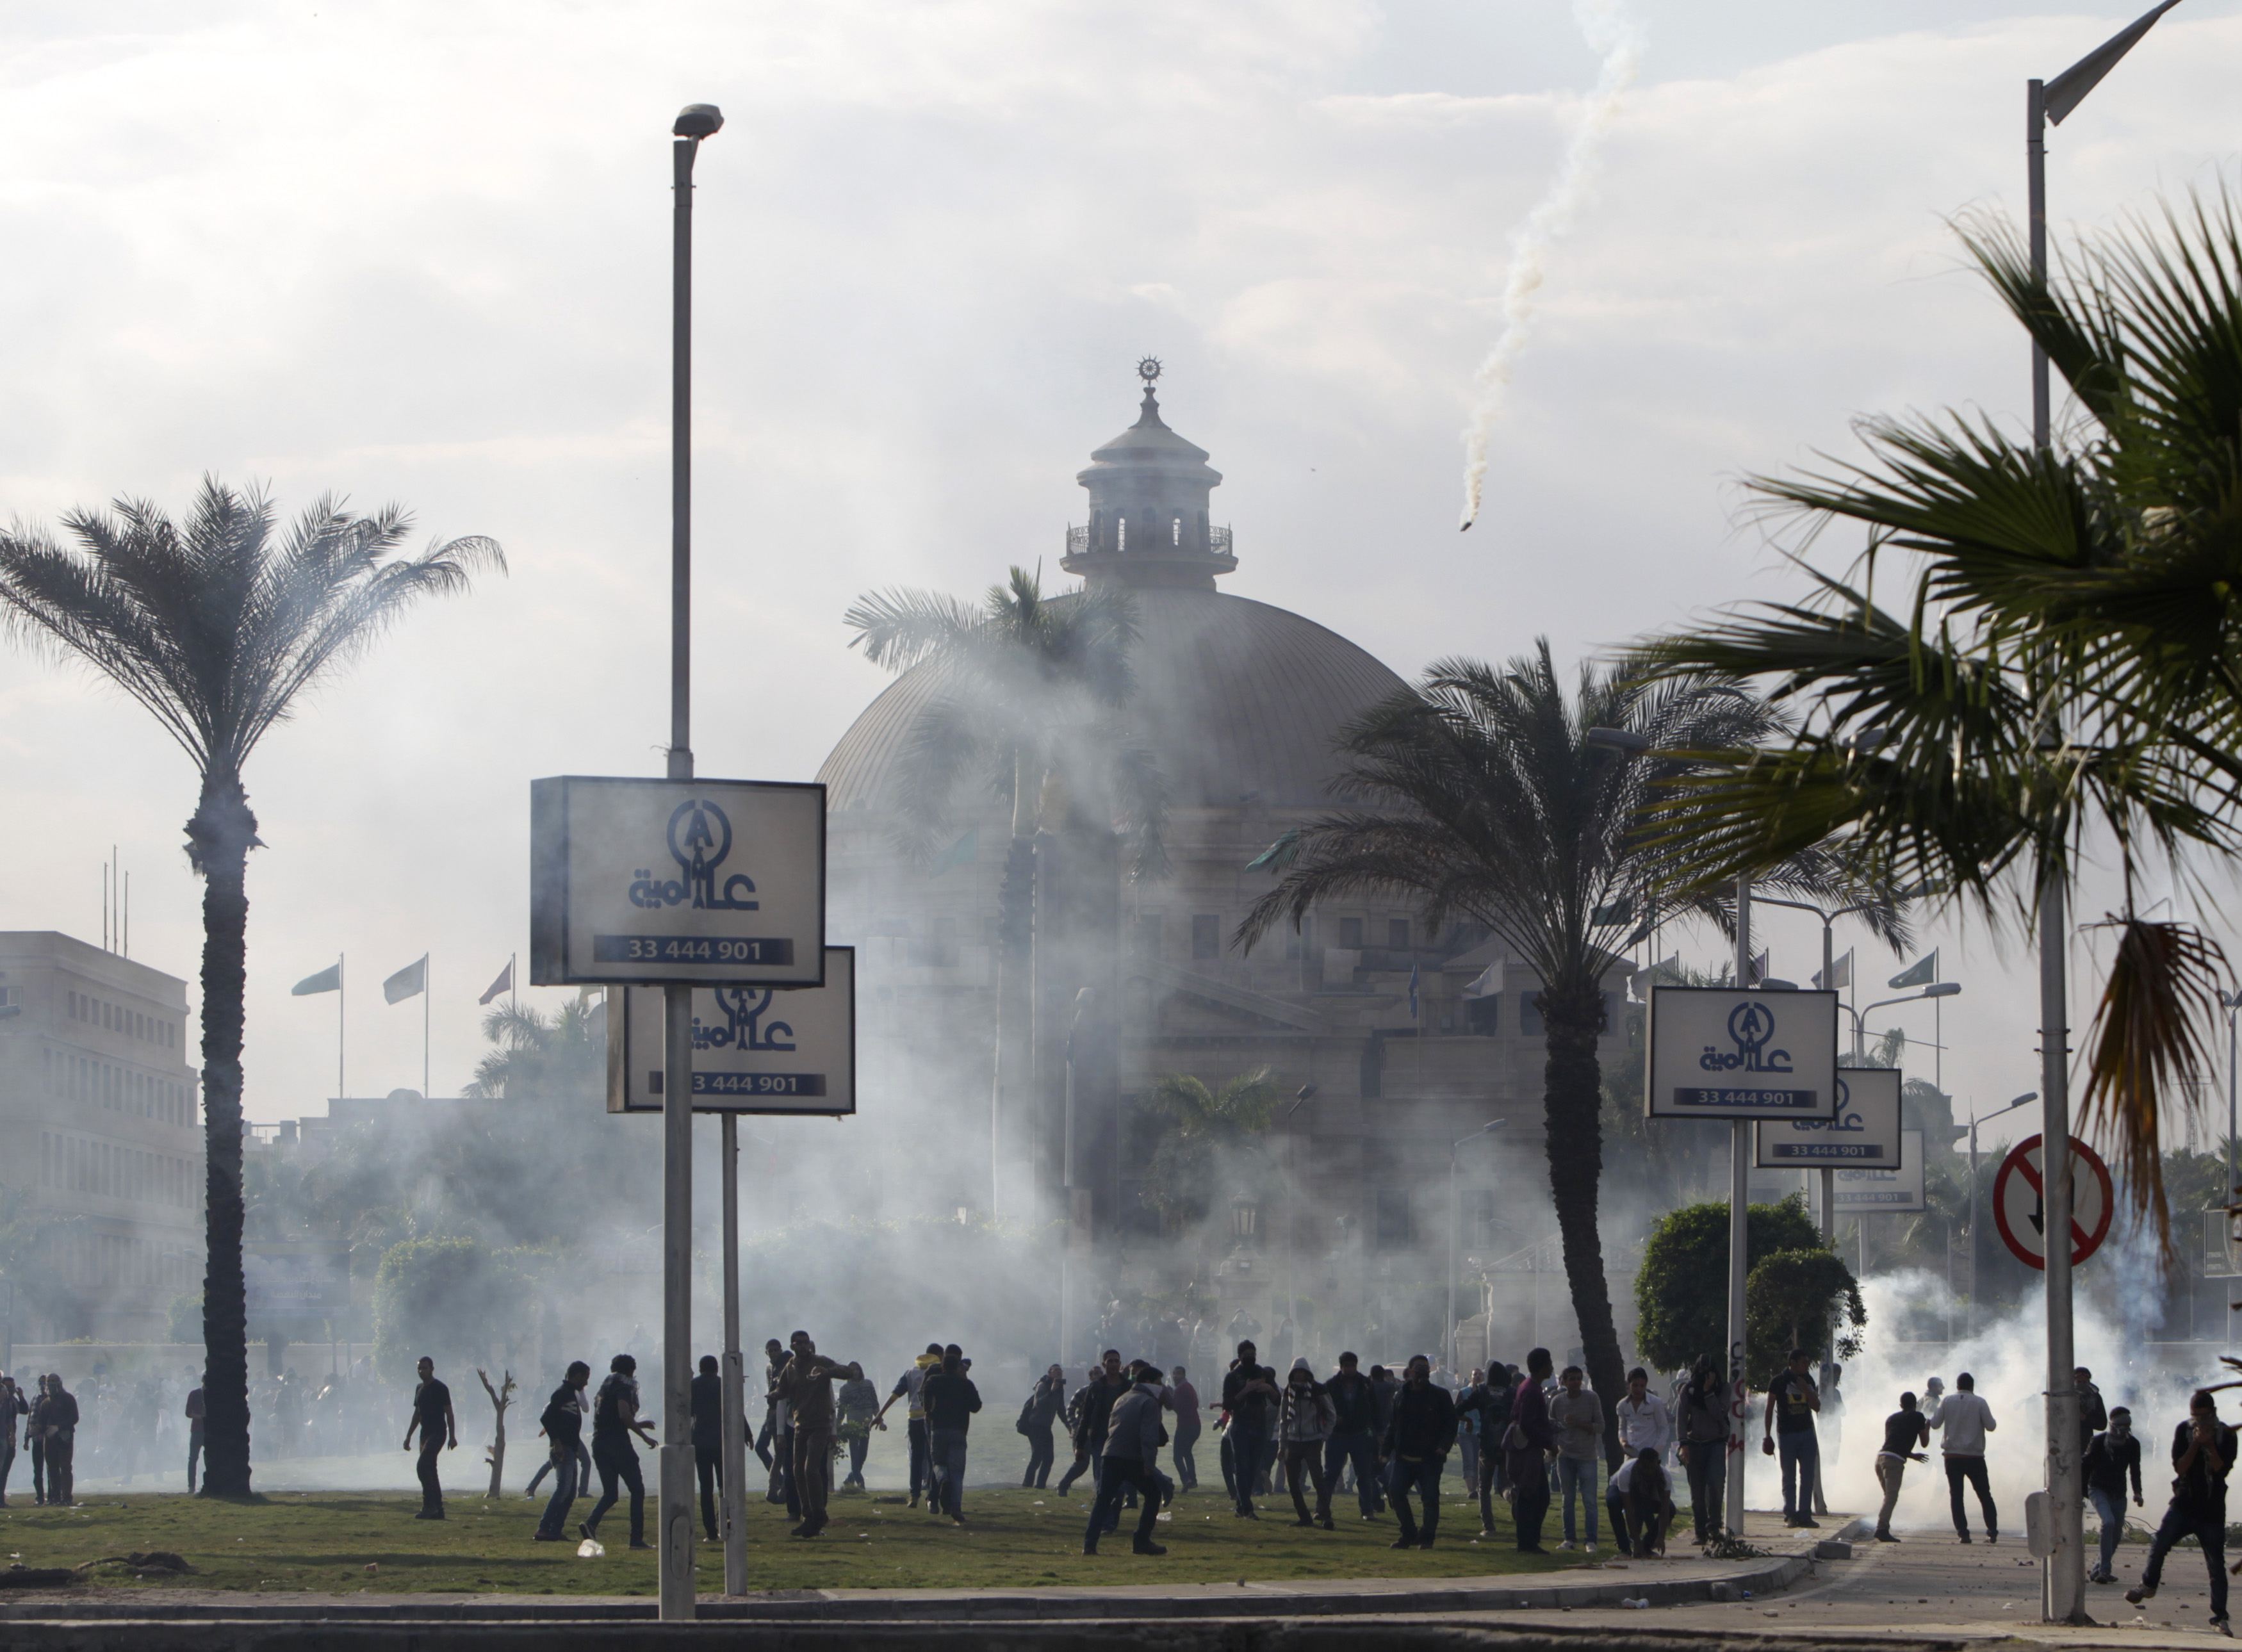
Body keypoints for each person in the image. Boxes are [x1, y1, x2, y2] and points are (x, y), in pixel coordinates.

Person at [2127, 1389, 2239, 1632]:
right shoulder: (2184, 1431)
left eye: (2203, 1416)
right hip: (2184, 1502)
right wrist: (2196, 1444)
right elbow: (2180, 1468)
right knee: (2160, 1543)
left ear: (2213, 1413)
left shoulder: (2227, 1435)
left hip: (2211, 1509)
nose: (2199, 1421)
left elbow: (2221, 1469)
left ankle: (2220, 1616)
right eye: (2194, 1416)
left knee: (2216, 1565)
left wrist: (2209, 1444)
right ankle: (2149, 1585)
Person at [1084, 1361, 1168, 1557]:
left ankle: (1089, 1544)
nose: (1161, 1386)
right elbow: (1148, 1436)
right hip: (1131, 1457)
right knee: (1153, 1494)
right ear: (1149, 1382)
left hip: (1110, 1453)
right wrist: (1149, 1464)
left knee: (1103, 1501)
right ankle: (1141, 1541)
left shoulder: (1124, 1398)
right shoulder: (1148, 1402)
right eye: (1158, 1382)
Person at [774, 1329, 853, 1539]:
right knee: (797, 1470)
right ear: (792, 1346)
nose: (803, 1346)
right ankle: (808, 1514)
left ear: (810, 1344)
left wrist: (828, 1373)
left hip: (820, 1423)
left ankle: (819, 1513)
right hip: (800, 1424)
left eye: (806, 1342)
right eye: (798, 1343)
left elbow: (847, 1372)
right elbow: (783, 1390)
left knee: (811, 1469)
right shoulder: (790, 1367)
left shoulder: (820, 1361)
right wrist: (773, 1395)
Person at [1382, 1354, 1457, 1549]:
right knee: (1396, 1493)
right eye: (1418, 1368)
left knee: (1430, 1498)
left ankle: (1427, 1538)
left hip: (1430, 1458)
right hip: (1403, 1456)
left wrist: (1444, 1445)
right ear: (1410, 1372)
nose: (1422, 1372)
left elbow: (1451, 1424)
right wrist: (1385, 1450)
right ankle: (1409, 1533)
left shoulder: (1440, 1396)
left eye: (1425, 1368)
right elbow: (1393, 1426)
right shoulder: (1400, 1396)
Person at [584, 1353, 657, 1550]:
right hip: (618, 1445)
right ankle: (636, 1539)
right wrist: (644, 1436)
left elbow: (612, 1418)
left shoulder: (604, 1388)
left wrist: (639, 1424)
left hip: (599, 1443)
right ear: (631, 1370)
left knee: (611, 1493)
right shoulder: (624, 1387)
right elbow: (624, 1415)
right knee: (637, 1490)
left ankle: (591, 1523)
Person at [1928, 1371, 1998, 1543]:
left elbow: (1935, 1424)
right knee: (1984, 1495)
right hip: (1975, 1457)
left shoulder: (1947, 1401)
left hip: (1952, 1457)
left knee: (1957, 1496)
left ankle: (1963, 1533)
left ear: (1957, 1386)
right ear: (1972, 1387)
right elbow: (1991, 1426)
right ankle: (1992, 1531)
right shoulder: (1980, 1402)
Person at [870, 1343, 942, 1507]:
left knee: (916, 1458)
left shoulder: (911, 1372)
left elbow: (895, 1395)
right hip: (932, 1419)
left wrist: (880, 1415)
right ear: (939, 1355)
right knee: (932, 1458)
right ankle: (931, 1497)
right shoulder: (940, 1371)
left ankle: (914, 1496)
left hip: (914, 1419)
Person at [920, 1343, 981, 1524]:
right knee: (958, 1472)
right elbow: (976, 1407)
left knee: (938, 1463)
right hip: (959, 1431)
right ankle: (957, 1507)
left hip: (938, 1429)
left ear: (942, 1365)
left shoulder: (933, 1380)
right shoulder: (965, 1384)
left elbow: (925, 1399)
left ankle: (942, 1480)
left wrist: (930, 1412)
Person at [1762, 1348, 1822, 1529]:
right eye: (1803, 1363)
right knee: (1789, 1477)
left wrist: (1806, 1389)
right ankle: (1790, 1515)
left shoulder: (1808, 1379)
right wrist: (1768, 1435)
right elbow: (1770, 1408)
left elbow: (1817, 1407)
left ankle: (1805, 1515)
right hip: (1786, 1434)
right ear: (1793, 1363)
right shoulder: (1779, 1381)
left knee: (1808, 1476)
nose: (1806, 1366)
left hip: (1807, 1434)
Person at [1220, 1340, 1279, 1519]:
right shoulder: (1232, 1377)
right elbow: (1228, 1404)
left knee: (1253, 1468)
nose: (1250, 1358)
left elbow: (1277, 1400)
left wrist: (1268, 1388)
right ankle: (1247, 1507)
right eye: (1247, 1355)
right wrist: (1246, 1390)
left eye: (1253, 1354)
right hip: (1241, 1425)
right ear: (1240, 1356)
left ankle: (1241, 1505)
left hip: (1259, 1425)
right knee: (1242, 1466)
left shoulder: (1263, 1373)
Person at [532, 1361, 591, 1542]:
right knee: (563, 1490)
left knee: (570, 1492)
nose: (586, 1383)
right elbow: (546, 1417)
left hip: (570, 1447)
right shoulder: (562, 1393)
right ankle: (544, 1528)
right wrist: (557, 1442)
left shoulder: (571, 1394)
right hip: (564, 1447)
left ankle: (556, 1530)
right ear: (576, 1376)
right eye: (584, 1378)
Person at [1507, 1348, 1559, 1553]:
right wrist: (1549, 1444)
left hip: (1528, 1448)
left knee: (1536, 1496)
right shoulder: (1532, 1390)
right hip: (1528, 1450)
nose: (1552, 1367)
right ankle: (1527, 1542)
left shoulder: (1528, 1387)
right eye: (1549, 1363)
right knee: (1532, 1496)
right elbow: (1528, 1424)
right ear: (1542, 1366)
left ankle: (1529, 1540)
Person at [2086, 1405, 2143, 1585]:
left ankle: (2097, 1569)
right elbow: (2085, 1465)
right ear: (2113, 1425)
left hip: (2119, 1493)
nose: (2124, 1430)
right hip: (2097, 1489)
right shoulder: (2099, 1441)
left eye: (2128, 1425)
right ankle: (2105, 1570)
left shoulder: (2133, 1444)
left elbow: (2135, 1470)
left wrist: (2138, 1492)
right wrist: (2080, 1490)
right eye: (2121, 1425)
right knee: (2108, 1522)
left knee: (2116, 1535)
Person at [1322, 1352, 1382, 1521]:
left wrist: (1379, 1432)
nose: (1350, 1369)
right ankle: (1323, 1508)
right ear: (1341, 1367)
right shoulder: (1331, 1385)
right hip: (1338, 1434)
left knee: (1364, 1475)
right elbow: (1323, 1409)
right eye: (1347, 1366)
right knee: (1331, 1475)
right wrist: (1333, 1418)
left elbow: (1375, 1410)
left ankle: (1367, 1510)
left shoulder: (1366, 1384)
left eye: (1352, 1366)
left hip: (1360, 1434)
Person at [1277, 1358, 1336, 1529]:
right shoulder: (1289, 1391)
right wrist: (1282, 1445)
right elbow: (1283, 1420)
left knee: (1318, 1480)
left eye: (1301, 1372)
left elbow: (1331, 1414)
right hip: (1293, 1441)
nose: (1299, 1375)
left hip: (1313, 1441)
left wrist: (1323, 1436)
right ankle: (1304, 1517)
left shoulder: (1318, 1390)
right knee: (1293, 1484)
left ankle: (1326, 1516)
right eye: (1296, 1372)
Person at [1550, 1364, 1603, 1552]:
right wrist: (1554, 1449)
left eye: (1578, 1379)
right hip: (1565, 1456)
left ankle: (1591, 1540)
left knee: (1589, 1500)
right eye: (1571, 1379)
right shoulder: (1557, 1401)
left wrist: (1579, 1423)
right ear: (1563, 1381)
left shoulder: (1591, 1398)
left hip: (1587, 1456)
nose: (1575, 1382)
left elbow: (1600, 1427)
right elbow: (1552, 1427)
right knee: (1568, 1499)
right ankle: (1569, 1539)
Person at [400, 1357, 455, 1520]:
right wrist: (409, 1436)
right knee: (431, 1470)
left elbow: (449, 1414)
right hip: (425, 1433)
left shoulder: (440, 1388)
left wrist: (453, 1437)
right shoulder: (419, 1389)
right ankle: (438, 1510)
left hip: (438, 1432)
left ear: (432, 1368)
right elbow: (417, 1414)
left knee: (422, 1466)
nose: (421, 1371)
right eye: (419, 1368)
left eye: (424, 1368)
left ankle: (428, 1505)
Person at [1874, 1389, 1931, 1542]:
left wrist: (1912, 1456)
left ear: (1901, 1405)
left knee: (1889, 1497)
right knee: (1891, 1497)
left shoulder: (1891, 1419)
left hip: (1880, 1458)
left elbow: (1893, 1443)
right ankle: (1882, 1529)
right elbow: (1924, 1443)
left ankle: (1883, 1526)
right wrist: (1927, 1428)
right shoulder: (1918, 1416)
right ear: (1915, 1405)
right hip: (1894, 1462)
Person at [1606, 1446, 1674, 1557]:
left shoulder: (1665, 1476)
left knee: (1671, 1509)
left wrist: (1661, 1537)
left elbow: (1665, 1508)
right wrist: (1636, 1542)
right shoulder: (1626, 1473)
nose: (1649, 1472)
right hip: (1619, 1488)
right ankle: (1625, 1548)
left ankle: (1647, 1546)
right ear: (1639, 1463)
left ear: (1658, 1464)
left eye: (1652, 1468)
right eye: (1646, 1468)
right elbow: (1629, 1510)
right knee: (1613, 1502)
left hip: (1648, 1490)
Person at [690, 1354, 724, 1542]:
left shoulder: (693, 1385)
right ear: (717, 1368)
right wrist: (747, 1433)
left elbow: (688, 1411)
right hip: (721, 1441)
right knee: (724, 1485)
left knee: (706, 1487)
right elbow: (734, 1409)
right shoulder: (723, 1384)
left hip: (701, 1440)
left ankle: (711, 1530)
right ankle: (727, 1522)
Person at [1021, 1365, 1067, 1489]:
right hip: (1035, 1426)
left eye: (1060, 1371)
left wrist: (1069, 1427)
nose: (1058, 1373)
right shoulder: (1042, 1385)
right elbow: (1040, 1403)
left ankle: (1040, 1485)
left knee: (1049, 1458)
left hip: (1046, 1427)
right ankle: (1027, 1484)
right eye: (1055, 1371)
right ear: (1050, 1373)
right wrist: (1052, 1391)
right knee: (1037, 1457)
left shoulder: (1060, 1388)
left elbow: (1061, 1410)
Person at [837, 1362, 878, 1491]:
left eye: (857, 1369)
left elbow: (875, 1403)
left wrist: (879, 1419)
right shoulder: (845, 1389)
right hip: (853, 1426)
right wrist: (838, 1424)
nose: (855, 1372)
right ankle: (860, 1483)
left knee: (862, 1455)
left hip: (866, 1424)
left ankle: (849, 1479)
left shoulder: (869, 1384)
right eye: (852, 1370)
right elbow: (842, 1410)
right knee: (855, 1456)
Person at [1168, 1366, 1200, 1493]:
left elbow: (1175, 1407)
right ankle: (1192, 1480)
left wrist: (1171, 1395)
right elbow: (1196, 1404)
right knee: (1187, 1452)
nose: (1176, 1376)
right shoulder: (1188, 1386)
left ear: (1183, 1375)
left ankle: (1186, 1479)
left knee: (1177, 1456)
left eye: (1178, 1374)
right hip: (1195, 1425)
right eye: (1174, 1374)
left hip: (1185, 1426)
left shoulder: (1181, 1388)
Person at [0, 1373, 23, 1507]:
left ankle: (1, 1500)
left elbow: (10, 1420)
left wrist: (12, 1435)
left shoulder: (9, 1403)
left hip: (3, 1438)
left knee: (3, 1470)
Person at [183, 1378, 205, 1496]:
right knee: (193, 1459)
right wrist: (200, 1417)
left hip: (209, 1431)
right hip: (197, 1431)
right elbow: (188, 1413)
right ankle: (191, 1486)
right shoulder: (194, 1394)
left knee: (211, 1458)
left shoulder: (215, 1394)